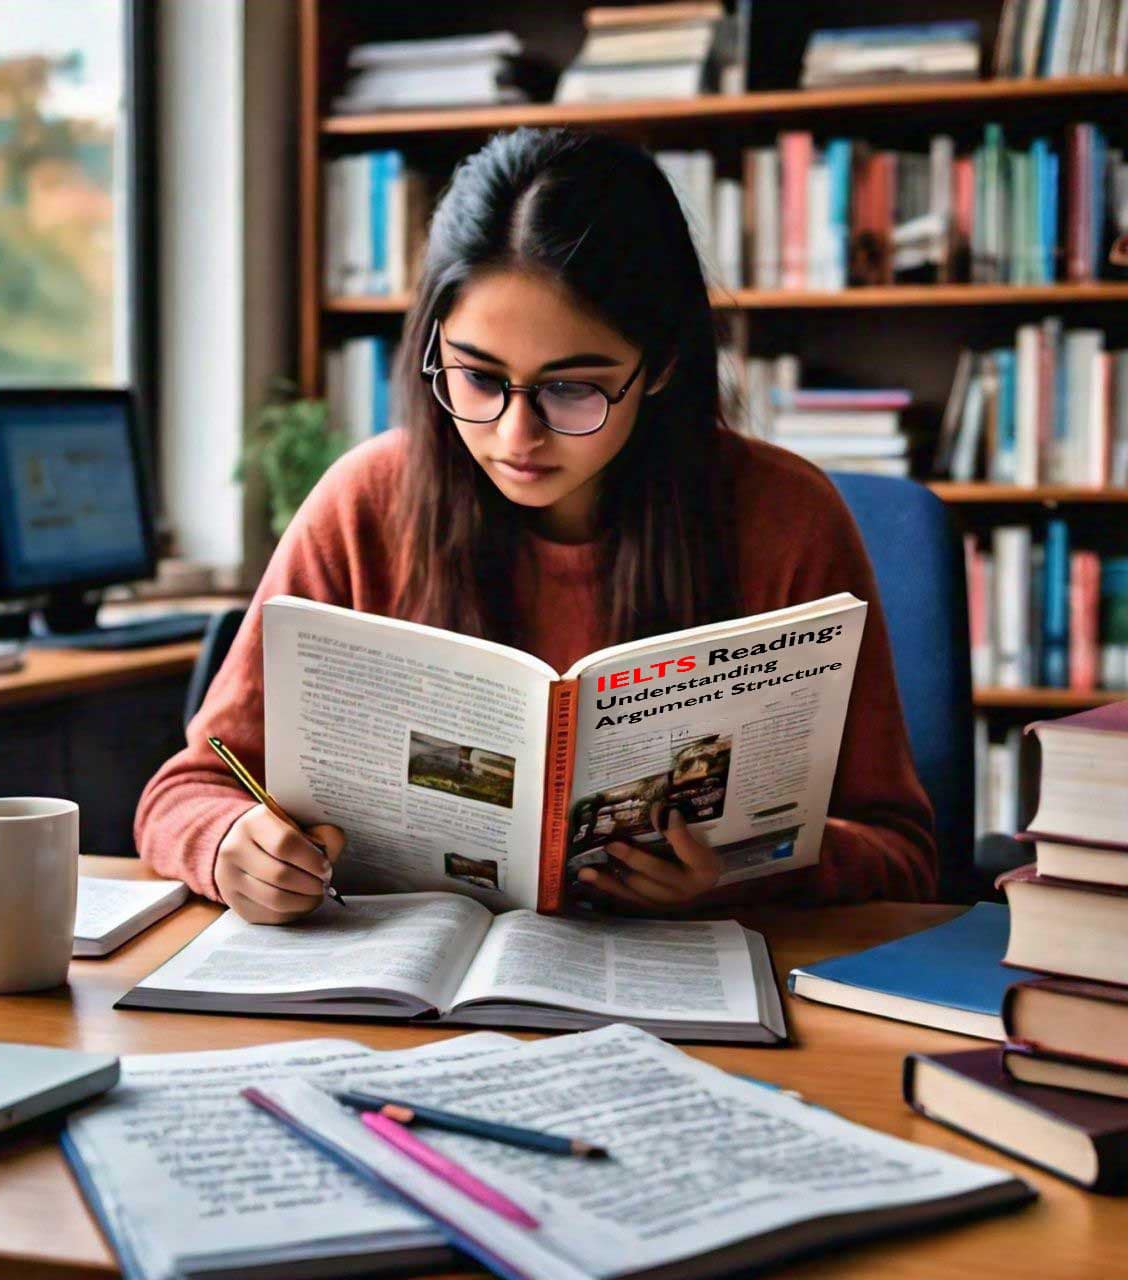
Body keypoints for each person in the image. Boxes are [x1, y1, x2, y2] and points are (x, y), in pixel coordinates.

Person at [136, 127, 936, 923]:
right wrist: (232, 842)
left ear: (658, 366)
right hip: (412, 989)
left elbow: (903, 853)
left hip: (685, 990)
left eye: (573, 390)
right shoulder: (364, 504)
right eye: (478, 377)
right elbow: (185, 792)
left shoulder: (786, 519)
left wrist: (740, 872)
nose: (516, 437)